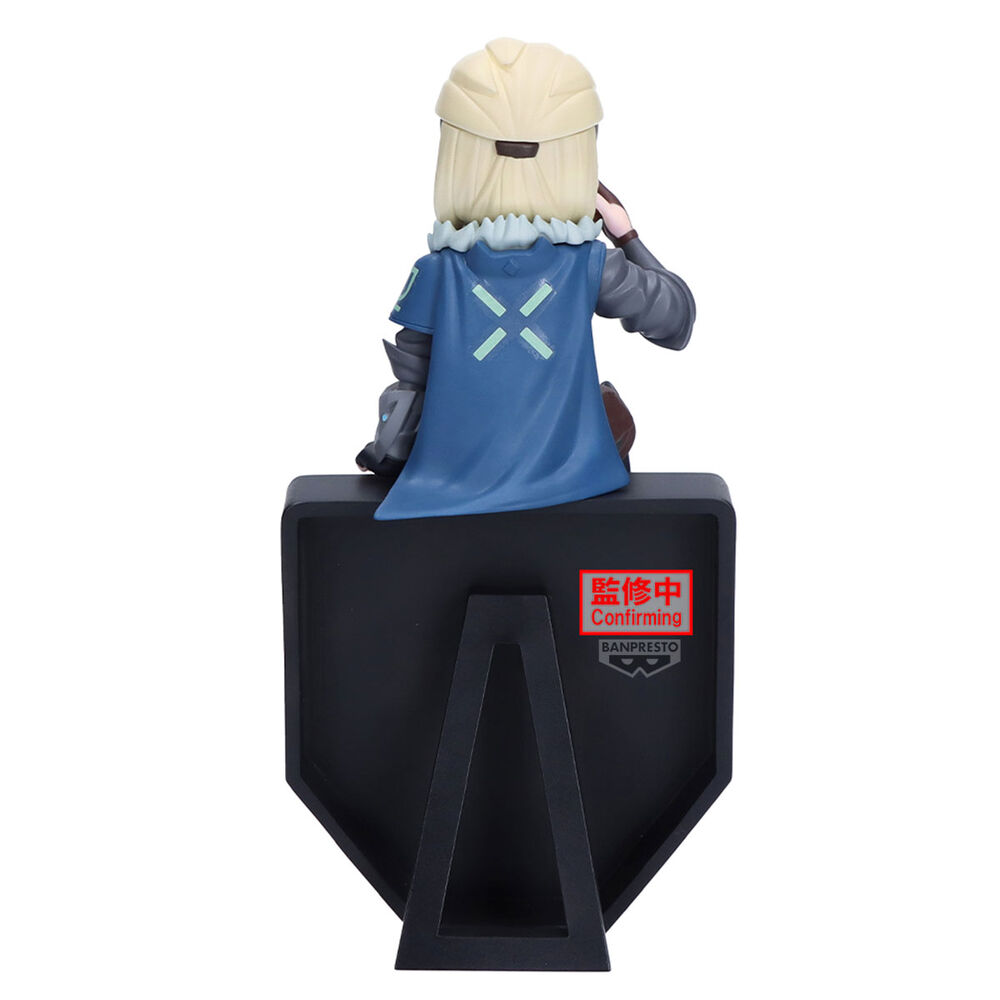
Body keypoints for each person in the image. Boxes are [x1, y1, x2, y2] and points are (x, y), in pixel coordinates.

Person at [357, 38, 695, 520]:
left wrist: (387, 454)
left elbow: (410, 389)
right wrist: (626, 234)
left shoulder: (434, 272)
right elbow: (676, 320)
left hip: (451, 482)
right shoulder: (591, 266)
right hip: (575, 473)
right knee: (608, 409)